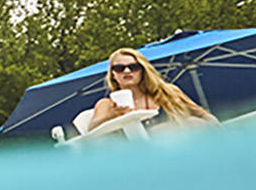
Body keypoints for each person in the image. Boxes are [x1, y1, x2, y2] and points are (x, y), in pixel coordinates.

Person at [87, 47, 217, 131]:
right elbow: (91, 129)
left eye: (134, 67)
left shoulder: (168, 92)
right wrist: (111, 116)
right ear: (113, 75)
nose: (127, 71)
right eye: (119, 68)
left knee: (193, 122)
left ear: (143, 71)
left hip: (180, 149)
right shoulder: (107, 104)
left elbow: (202, 114)